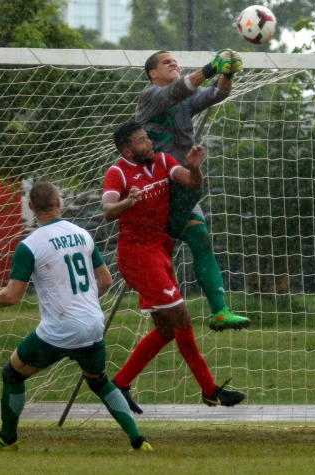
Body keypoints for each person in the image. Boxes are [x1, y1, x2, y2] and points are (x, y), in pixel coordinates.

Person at [0, 180, 152, 452]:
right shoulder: (82, 234)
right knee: (99, 381)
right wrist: (84, 303)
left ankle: (7, 438)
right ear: (59, 203)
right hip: (93, 324)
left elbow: (12, 296)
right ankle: (138, 441)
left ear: (31, 207)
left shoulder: (29, 245)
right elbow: (104, 281)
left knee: (12, 374)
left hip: (59, 329)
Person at [103, 122, 246, 414]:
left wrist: (194, 168)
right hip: (137, 256)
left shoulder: (163, 161)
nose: (149, 143)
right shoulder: (117, 172)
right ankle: (210, 390)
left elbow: (192, 183)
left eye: (147, 138)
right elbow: (107, 211)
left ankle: (119, 384)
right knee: (181, 315)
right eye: (142, 141)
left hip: (159, 251)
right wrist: (127, 202)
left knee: (167, 329)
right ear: (126, 149)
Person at [135, 48, 250, 332]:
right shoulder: (150, 95)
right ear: (153, 73)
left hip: (182, 182)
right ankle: (161, 304)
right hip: (159, 189)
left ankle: (219, 311)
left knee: (199, 237)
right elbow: (178, 90)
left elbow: (217, 94)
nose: (174, 63)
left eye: (175, 61)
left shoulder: (183, 102)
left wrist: (227, 73)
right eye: (166, 62)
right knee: (164, 251)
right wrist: (211, 67)